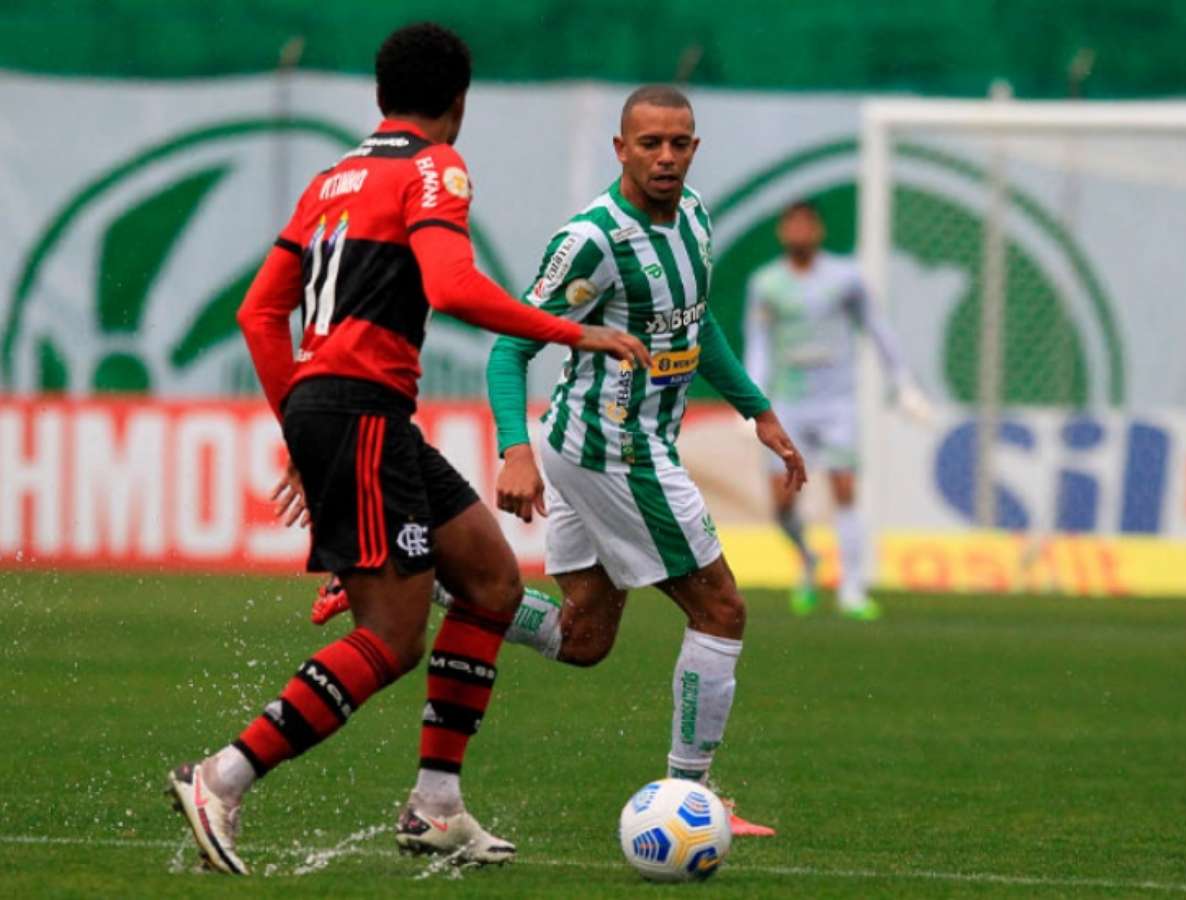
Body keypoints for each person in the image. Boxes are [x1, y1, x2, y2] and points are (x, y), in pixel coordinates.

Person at [166, 22, 648, 875]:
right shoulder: (436, 164)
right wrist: (574, 334)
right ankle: (223, 777)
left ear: (380, 96)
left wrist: (303, 427)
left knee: (493, 583)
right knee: (390, 638)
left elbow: (258, 313)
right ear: (459, 102)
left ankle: (435, 805)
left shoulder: (330, 180)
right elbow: (452, 286)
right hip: (358, 412)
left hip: (356, 414)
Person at [486, 85, 805, 837]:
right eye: (651, 143)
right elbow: (511, 346)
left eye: (680, 142)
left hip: (606, 446)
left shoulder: (694, 217)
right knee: (721, 609)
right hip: (613, 449)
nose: (667, 157)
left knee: (584, 639)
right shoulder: (594, 239)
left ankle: (432, 577)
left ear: (695, 147)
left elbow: (699, 322)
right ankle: (692, 798)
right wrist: (512, 449)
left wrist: (756, 408)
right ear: (621, 149)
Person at [742, 201, 931, 620]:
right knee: (782, 503)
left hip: (838, 402)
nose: (799, 232)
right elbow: (758, 343)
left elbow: (878, 329)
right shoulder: (767, 283)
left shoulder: (846, 279)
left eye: (806, 224)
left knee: (845, 488)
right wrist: (752, 401)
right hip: (787, 403)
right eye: (791, 224)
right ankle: (809, 560)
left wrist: (902, 382)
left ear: (819, 231)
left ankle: (852, 589)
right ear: (781, 233)